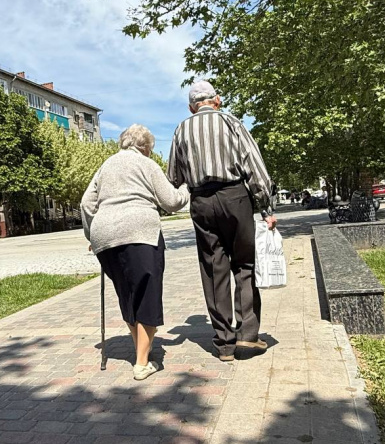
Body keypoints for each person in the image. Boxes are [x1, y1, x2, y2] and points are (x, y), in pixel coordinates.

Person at [167, 80, 276, 362]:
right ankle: (248, 335)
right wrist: (266, 208)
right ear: (217, 100)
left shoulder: (181, 129)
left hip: (201, 202)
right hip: (235, 197)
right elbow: (254, 166)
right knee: (244, 263)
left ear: (192, 107)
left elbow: (174, 177)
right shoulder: (231, 122)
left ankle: (224, 344)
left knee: (214, 269)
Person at [81, 124, 189, 380]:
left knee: (127, 294)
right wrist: (186, 190)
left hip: (105, 236)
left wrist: (91, 234)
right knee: (147, 295)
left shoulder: (106, 165)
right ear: (145, 147)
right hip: (140, 233)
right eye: (150, 149)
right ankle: (141, 363)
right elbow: (171, 202)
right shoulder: (146, 164)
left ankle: (142, 350)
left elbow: (86, 203)